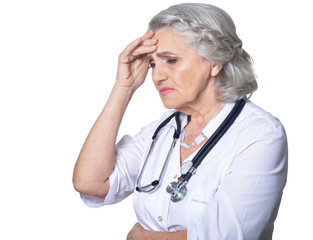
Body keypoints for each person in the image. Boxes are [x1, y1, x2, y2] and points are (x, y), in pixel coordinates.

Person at [73, 3, 288, 239]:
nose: (156, 76)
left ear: (215, 62)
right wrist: (124, 88)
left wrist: (141, 237)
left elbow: (227, 236)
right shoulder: (163, 130)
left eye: (171, 60)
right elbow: (91, 182)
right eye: (153, 63)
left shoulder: (260, 134)